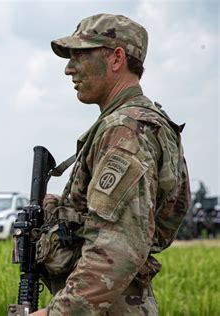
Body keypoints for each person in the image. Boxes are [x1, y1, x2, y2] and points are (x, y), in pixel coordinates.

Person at [31, 14, 190, 315]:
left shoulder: (125, 129)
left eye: (80, 55)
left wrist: (59, 313)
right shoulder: (143, 122)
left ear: (117, 58)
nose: (69, 68)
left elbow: (116, 247)